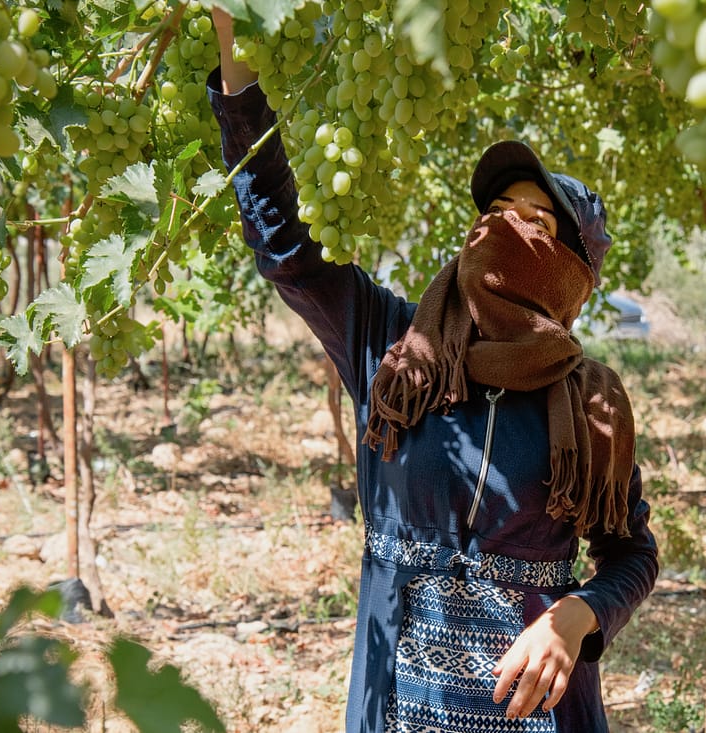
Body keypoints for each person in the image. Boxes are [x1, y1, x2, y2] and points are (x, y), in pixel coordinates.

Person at [208, 11, 658, 732]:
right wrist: (237, 47)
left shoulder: (591, 400)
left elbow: (631, 552)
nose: (506, 228)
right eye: (497, 210)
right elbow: (285, 243)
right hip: (398, 709)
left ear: (576, 274)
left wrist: (576, 616)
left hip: (537, 713)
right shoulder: (395, 348)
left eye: (536, 222)